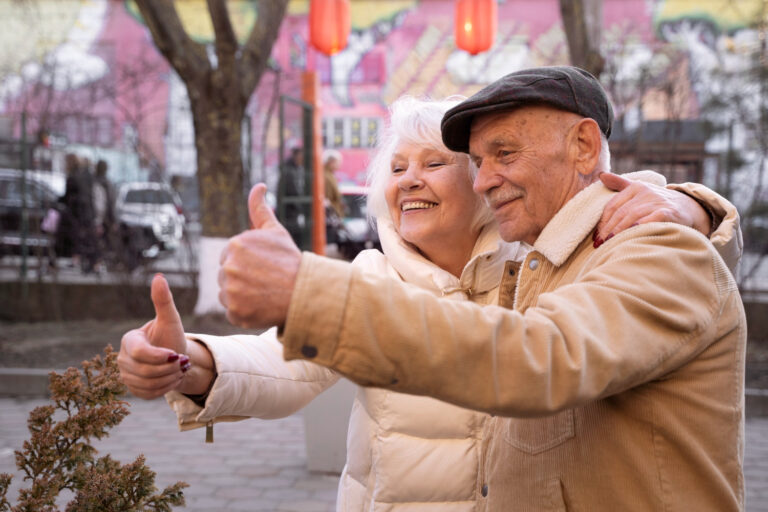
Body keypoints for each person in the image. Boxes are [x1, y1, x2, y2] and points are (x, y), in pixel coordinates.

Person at [119, 92, 741, 510]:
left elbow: (558, 338)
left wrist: (694, 205)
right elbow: (281, 365)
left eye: (435, 163)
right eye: (396, 168)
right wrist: (190, 362)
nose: (410, 179)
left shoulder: (532, 269)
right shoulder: (371, 277)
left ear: (479, 187)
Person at [277, 146, 307, 246]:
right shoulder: (289, 172)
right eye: (302, 156)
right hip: (289, 214)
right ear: (296, 156)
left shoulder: (295, 169)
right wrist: (302, 208)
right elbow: (293, 192)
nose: (303, 159)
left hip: (290, 213)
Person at [322, 149, 347, 250]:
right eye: (338, 162)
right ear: (331, 162)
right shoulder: (326, 176)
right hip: (331, 218)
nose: (339, 165)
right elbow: (327, 199)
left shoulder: (329, 175)